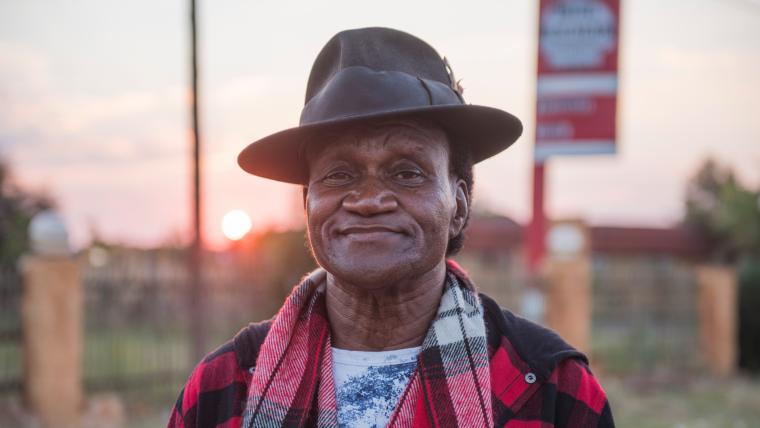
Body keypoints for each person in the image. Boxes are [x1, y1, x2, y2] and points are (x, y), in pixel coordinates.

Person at [169, 27, 614, 428]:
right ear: (308, 205)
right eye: (339, 174)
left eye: (407, 172)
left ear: (458, 204)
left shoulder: (552, 389)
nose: (368, 200)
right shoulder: (223, 388)